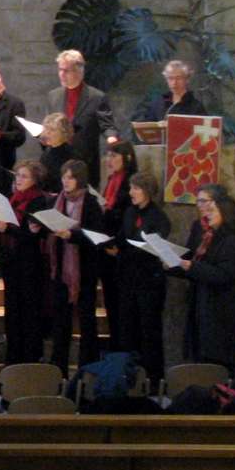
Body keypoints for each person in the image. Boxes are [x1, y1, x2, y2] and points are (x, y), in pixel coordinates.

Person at [169, 184, 235, 376]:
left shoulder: (233, 243)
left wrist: (191, 266)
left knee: (218, 363)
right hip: (202, 305)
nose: (206, 214)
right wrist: (173, 265)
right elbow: (196, 265)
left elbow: (223, 275)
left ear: (225, 212)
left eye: (212, 210)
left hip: (221, 311)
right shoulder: (206, 235)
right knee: (200, 359)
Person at [42, 160, 104, 375]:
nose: (65, 182)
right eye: (64, 177)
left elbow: (96, 236)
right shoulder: (57, 201)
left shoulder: (91, 204)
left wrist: (73, 235)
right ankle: (58, 370)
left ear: (80, 179)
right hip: (60, 269)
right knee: (61, 322)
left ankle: (88, 370)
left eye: (70, 177)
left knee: (87, 321)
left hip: (83, 270)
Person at [115, 173, 170, 379]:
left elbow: (156, 246)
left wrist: (128, 249)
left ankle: (153, 378)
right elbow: (123, 237)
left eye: (136, 188)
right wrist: (109, 243)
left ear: (147, 191)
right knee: (128, 330)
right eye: (131, 188)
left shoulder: (159, 217)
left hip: (149, 281)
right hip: (128, 279)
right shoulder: (130, 212)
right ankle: (129, 376)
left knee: (149, 331)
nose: (131, 193)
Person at [0, 160, 51, 365]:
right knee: (12, 311)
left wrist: (7, 228)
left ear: (35, 180)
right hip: (12, 262)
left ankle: (29, 357)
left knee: (29, 312)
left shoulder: (38, 201)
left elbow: (32, 235)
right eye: (17, 175)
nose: (19, 180)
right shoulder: (14, 199)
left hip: (30, 264)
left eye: (24, 176)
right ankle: (12, 357)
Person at [48, 50, 117, 184]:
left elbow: (107, 125)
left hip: (84, 162)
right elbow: (49, 124)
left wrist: (112, 138)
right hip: (57, 160)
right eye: (60, 70)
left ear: (79, 71)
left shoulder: (96, 97)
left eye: (66, 71)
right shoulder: (53, 96)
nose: (62, 74)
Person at [97, 140, 138, 352]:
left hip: (120, 250)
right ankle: (114, 348)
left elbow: (128, 219)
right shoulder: (112, 180)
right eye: (107, 156)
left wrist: (117, 244)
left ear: (127, 158)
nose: (109, 160)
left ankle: (121, 351)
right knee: (111, 303)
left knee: (121, 306)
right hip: (106, 246)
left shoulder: (130, 183)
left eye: (114, 156)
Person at [131, 59, 208, 125]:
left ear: (187, 79)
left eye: (179, 78)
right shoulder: (159, 102)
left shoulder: (196, 106)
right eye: (170, 78)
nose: (174, 82)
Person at [37, 113, 77, 194]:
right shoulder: (47, 151)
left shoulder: (71, 155)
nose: (47, 133)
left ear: (64, 132)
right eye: (46, 129)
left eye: (52, 130)